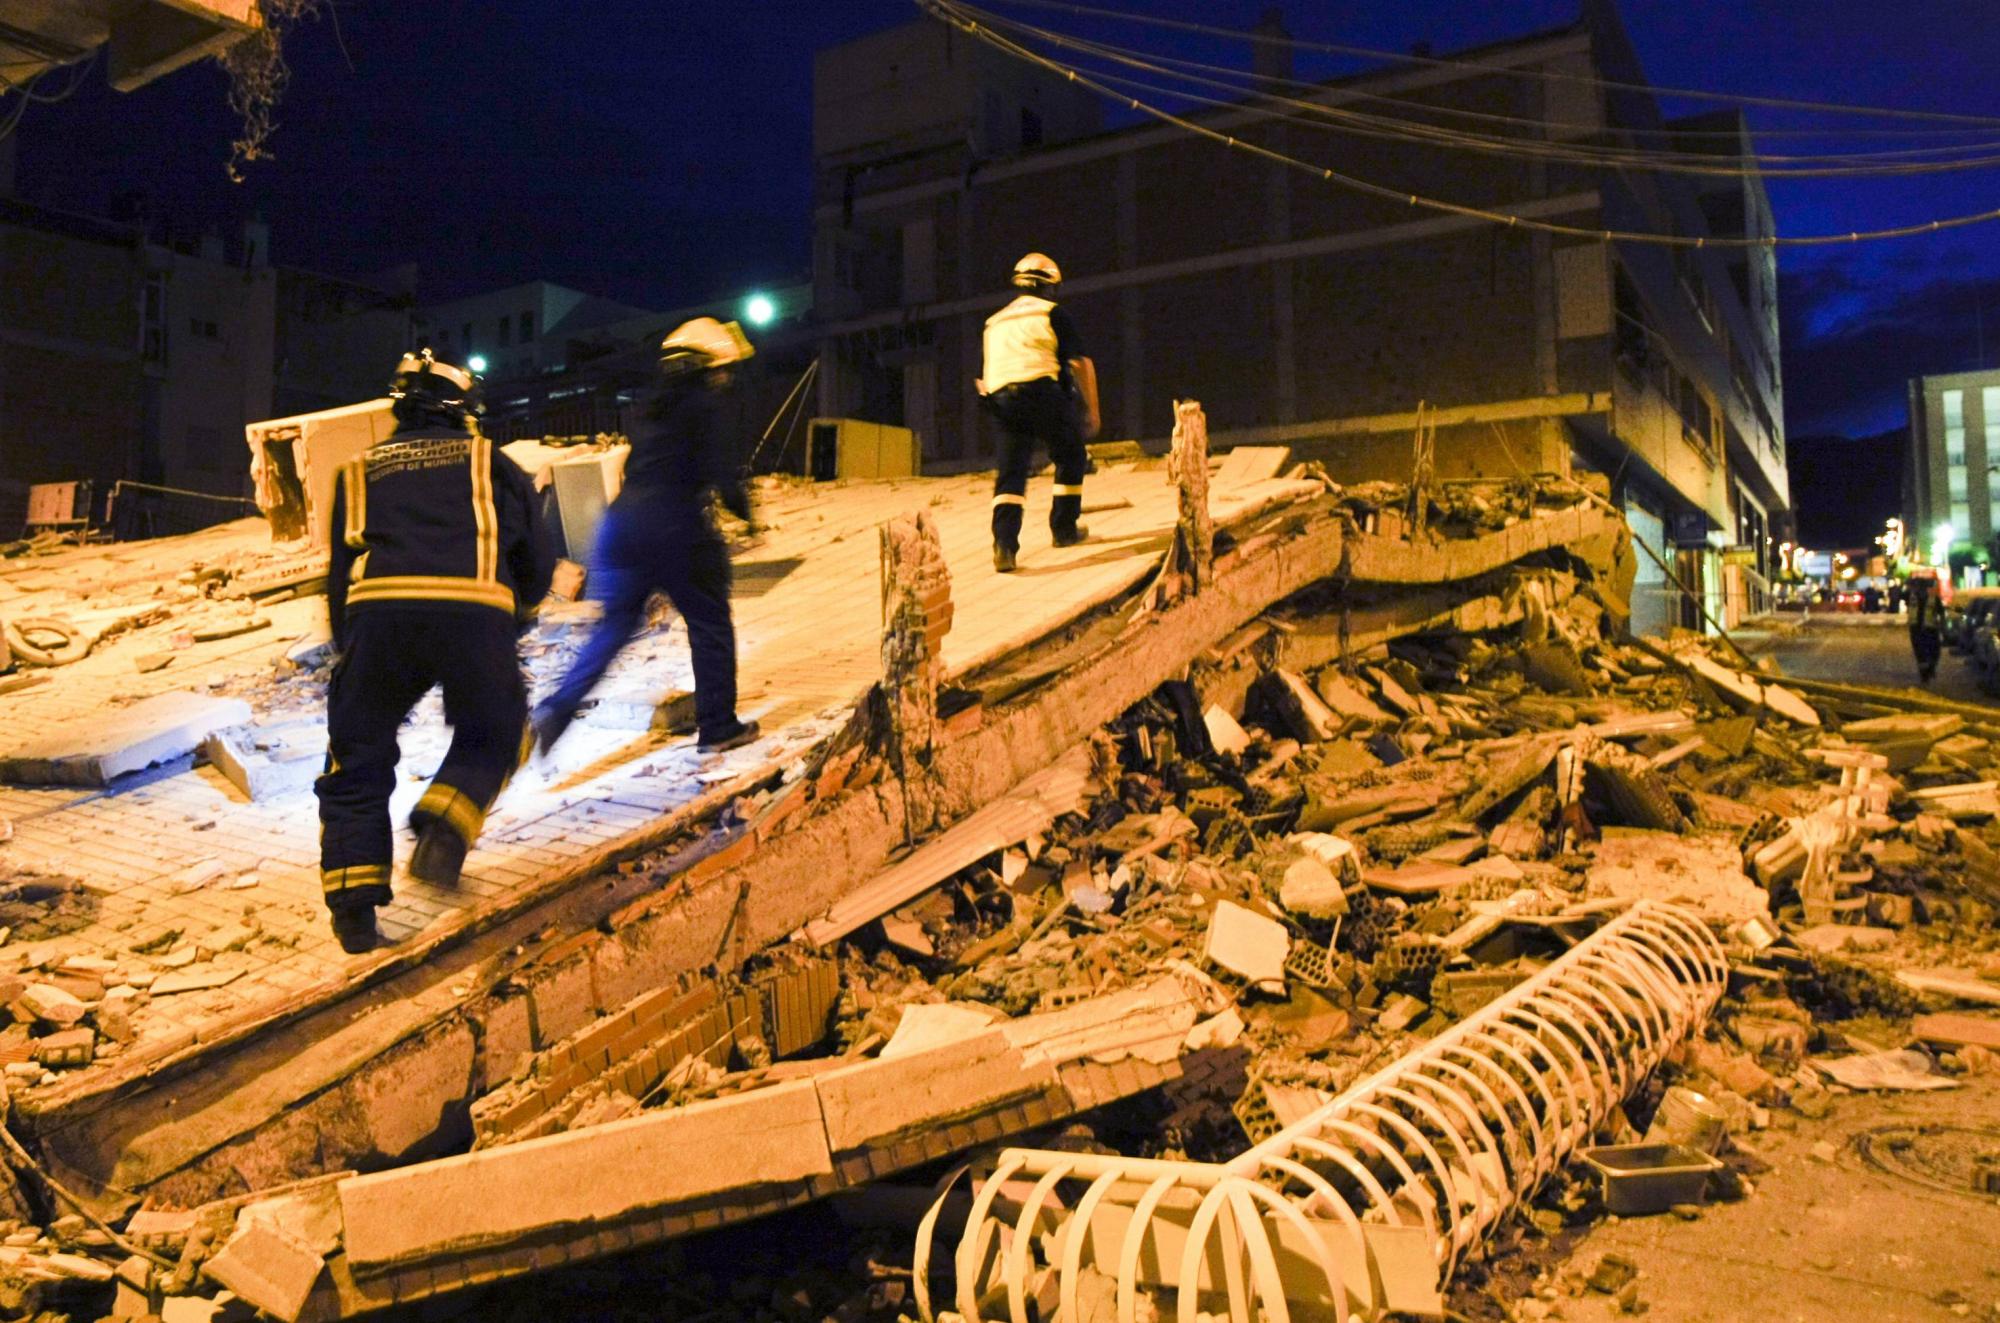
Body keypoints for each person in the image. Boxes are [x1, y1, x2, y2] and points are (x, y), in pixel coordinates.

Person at [316, 351, 554, 953]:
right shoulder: (491, 464)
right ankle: (447, 823)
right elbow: (537, 562)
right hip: (473, 614)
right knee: (497, 728)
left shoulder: (356, 470)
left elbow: (339, 575)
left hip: (380, 617)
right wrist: (515, 611)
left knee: (357, 751)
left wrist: (353, 655)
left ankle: (354, 907)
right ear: (464, 412)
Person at [532, 317, 762, 758]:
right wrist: (747, 516)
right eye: (721, 369)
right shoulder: (704, 403)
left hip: (620, 527)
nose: (723, 378)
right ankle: (718, 727)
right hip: (674, 523)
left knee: (613, 628)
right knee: (709, 620)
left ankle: (557, 708)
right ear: (706, 364)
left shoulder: (651, 408)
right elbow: (722, 471)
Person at [979, 252, 1100, 574]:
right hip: (1042, 392)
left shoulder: (994, 321)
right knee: (1072, 455)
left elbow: (989, 373)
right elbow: (1078, 364)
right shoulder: (1053, 313)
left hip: (1001, 399)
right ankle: (1064, 530)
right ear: (1051, 287)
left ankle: (1004, 546)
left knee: (1011, 473)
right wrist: (1091, 413)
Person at [1907, 570, 1945, 683]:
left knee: (1935, 652)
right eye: (1916, 587)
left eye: (1920, 587)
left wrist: (1943, 627)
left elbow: (1941, 613)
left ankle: (1931, 668)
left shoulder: (1933, 599)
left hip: (1930, 629)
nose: (1918, 590)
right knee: (1920, 654)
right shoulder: (1911, 597)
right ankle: (1924, 675)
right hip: (1916, 630)